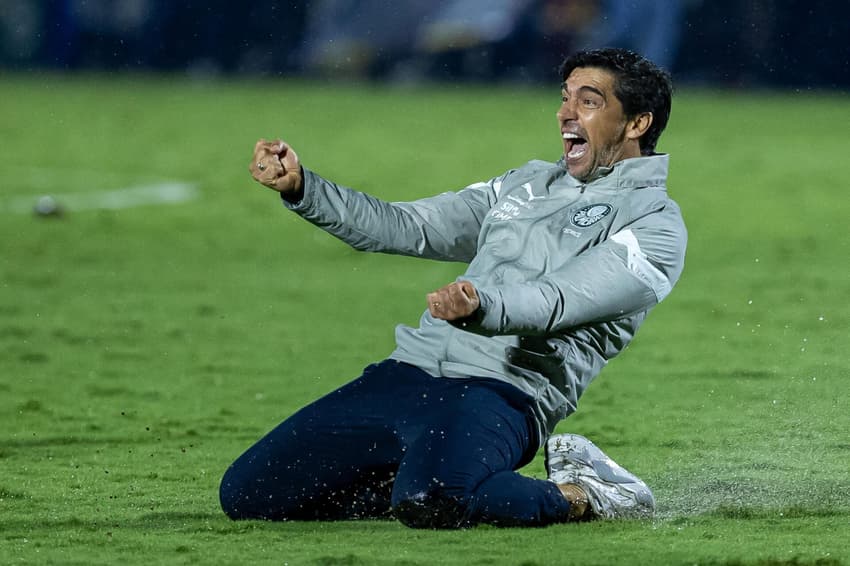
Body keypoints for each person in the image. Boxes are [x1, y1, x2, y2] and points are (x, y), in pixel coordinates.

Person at [219, 47, 686, 528]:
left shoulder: (656, 227)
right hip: (406, 374)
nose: (565, 113)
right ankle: (417, 481)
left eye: (588, 102)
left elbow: (559, 300)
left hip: (501, 394)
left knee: (436, 501)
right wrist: (305, 189)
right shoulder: (523, 184)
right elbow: (410, 224)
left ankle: (586, 492)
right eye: (564, 98)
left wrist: (482, 307)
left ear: (636, 124)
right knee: (250, 494)